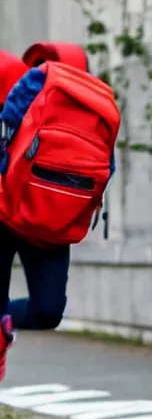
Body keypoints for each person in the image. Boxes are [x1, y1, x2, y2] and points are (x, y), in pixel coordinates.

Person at [0, 43, 97, 382]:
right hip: (3, 208)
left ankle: (3, 320)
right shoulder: (14, 71)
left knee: (48, 310)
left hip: (47, 209)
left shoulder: (14, 71)